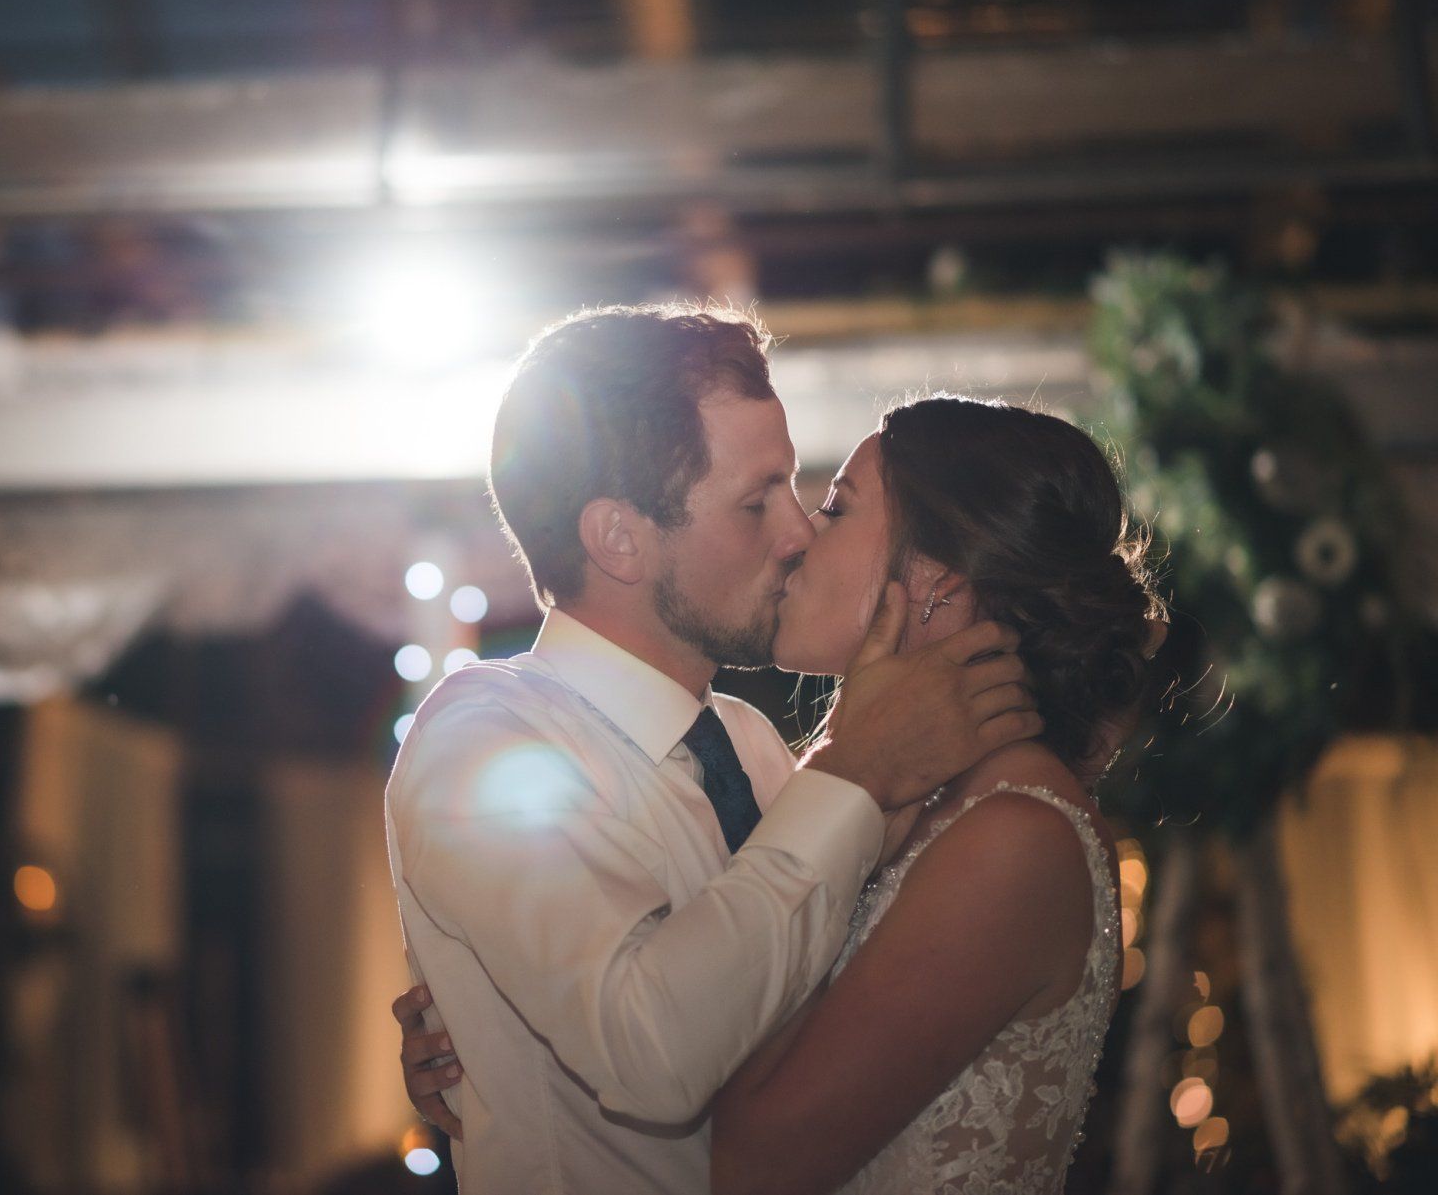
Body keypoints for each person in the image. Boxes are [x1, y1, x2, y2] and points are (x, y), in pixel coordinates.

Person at [404, 395, 1166, 1195]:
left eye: (834, 507)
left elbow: (747, 1160)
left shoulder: (1009, 834)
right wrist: (500, 1014)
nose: (799, 534)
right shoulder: (850, 785)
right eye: (764, 500)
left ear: (936, 584)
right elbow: (724, 963)